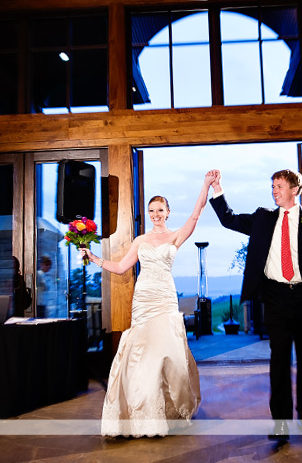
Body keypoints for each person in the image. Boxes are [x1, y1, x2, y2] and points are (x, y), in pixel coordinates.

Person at [208, 169, 302, 442]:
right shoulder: (263, 218)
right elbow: (229, 219)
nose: (274, 190)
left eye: (280, 185)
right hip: (275, 297)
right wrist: (218, 188)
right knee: (280, 359)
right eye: (272, 186)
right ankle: (281, 422)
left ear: (296, 189)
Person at [79, 171, 217, 437]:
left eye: (160, 210)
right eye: (151, 210)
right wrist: (95, 258)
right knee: (142, 354)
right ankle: (140, 413)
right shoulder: (141, 240)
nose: (155, 214)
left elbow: (196, 215)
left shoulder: (176, 236)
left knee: (166, 352)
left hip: (164, 296)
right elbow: (120, 267)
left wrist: (205, 185)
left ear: (167, 212)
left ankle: (168, 408)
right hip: (143, 299)